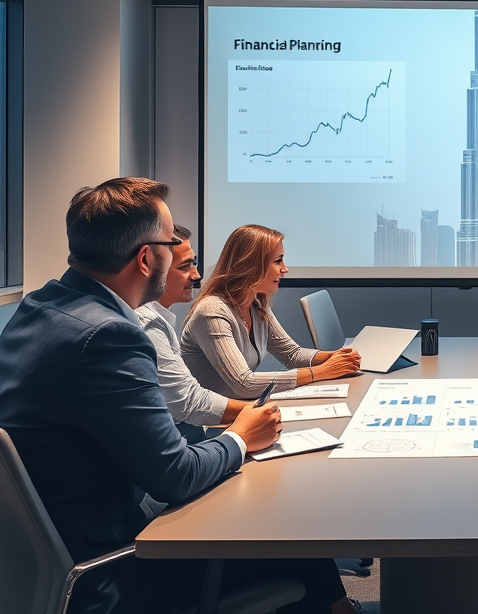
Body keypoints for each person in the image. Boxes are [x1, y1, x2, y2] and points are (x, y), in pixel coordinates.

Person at [0, 177, 358, 614]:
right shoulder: (110, 336)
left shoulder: (38, 309)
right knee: (296, 536)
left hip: (53, 559)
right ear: (148, 258)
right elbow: (175, 474)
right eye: (173, 245)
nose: (187, 264)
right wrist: (241, 437)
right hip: (114, 570)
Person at [181, 224, 360, 400]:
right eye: (277, 260)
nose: (285, 269)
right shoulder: (211, 311)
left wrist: (337, 357)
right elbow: (244, 384)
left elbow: (292, 355)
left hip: (238, 410)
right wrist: (323, 371)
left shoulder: (256, 304)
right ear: (250, 265)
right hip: (208, 424)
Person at [136, 224, 248, 441]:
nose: (196, 275)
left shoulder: (158, 318)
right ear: (147, 264)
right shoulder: (147, 324)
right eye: (185, 266)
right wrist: (255, 412)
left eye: (194, 264)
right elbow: (187, 402)